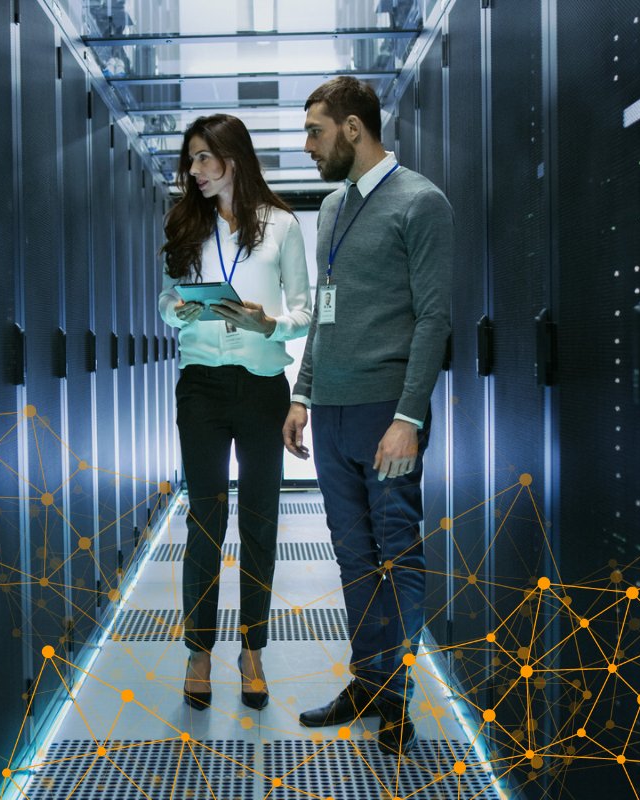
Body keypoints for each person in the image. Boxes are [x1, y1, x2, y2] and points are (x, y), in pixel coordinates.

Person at [283, 77, 453, 755]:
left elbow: (433, 318)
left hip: (388, 411)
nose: (308, 145)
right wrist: (301, 393)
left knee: (396, 550)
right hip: (332, 411)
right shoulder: (329, 209)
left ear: (354, 129)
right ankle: (367, 679)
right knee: (354, 555)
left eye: (316, 131)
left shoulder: (421, 202)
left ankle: (398, 699)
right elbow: (326, 309)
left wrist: (409, 415)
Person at [159, 114, 312, 711]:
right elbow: (165, 302)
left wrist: (267, 321)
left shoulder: (282, 227)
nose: (193, 171)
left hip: (260, 386)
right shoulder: (183, 225)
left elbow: (304, 311)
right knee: (204, 518)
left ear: (232, 157)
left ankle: (252, 649)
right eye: (190, 160)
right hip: (200, 385)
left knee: (260, 520)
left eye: (203, 158)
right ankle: (199, 650)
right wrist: (181, 312)